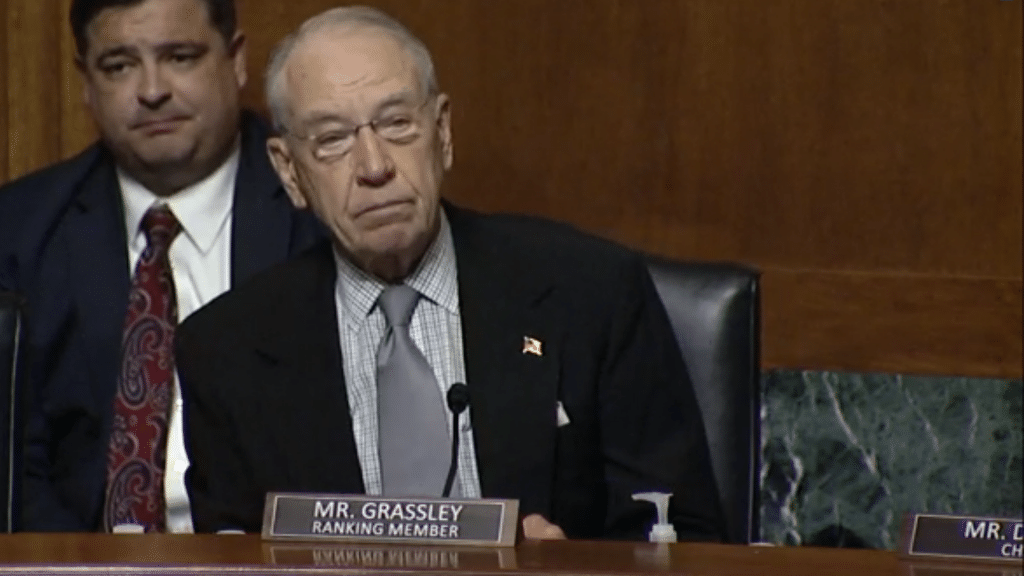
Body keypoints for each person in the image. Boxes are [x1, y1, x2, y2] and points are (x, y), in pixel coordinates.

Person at [175, 5, 726, 541]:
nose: (374, 167)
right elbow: (232, 556)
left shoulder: (593, 293)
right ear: (289, 172)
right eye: (332, 140)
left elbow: (686, 538)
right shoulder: (227, 351)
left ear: (441, 133)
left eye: (396, 124)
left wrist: (563, 568)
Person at [0, 0, 322, 532]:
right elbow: (15, 470)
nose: (152, 91)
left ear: (236, 60)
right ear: (85, 81)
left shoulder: (319, 212)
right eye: (119, 66)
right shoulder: (18, 235)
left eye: (179, 56)